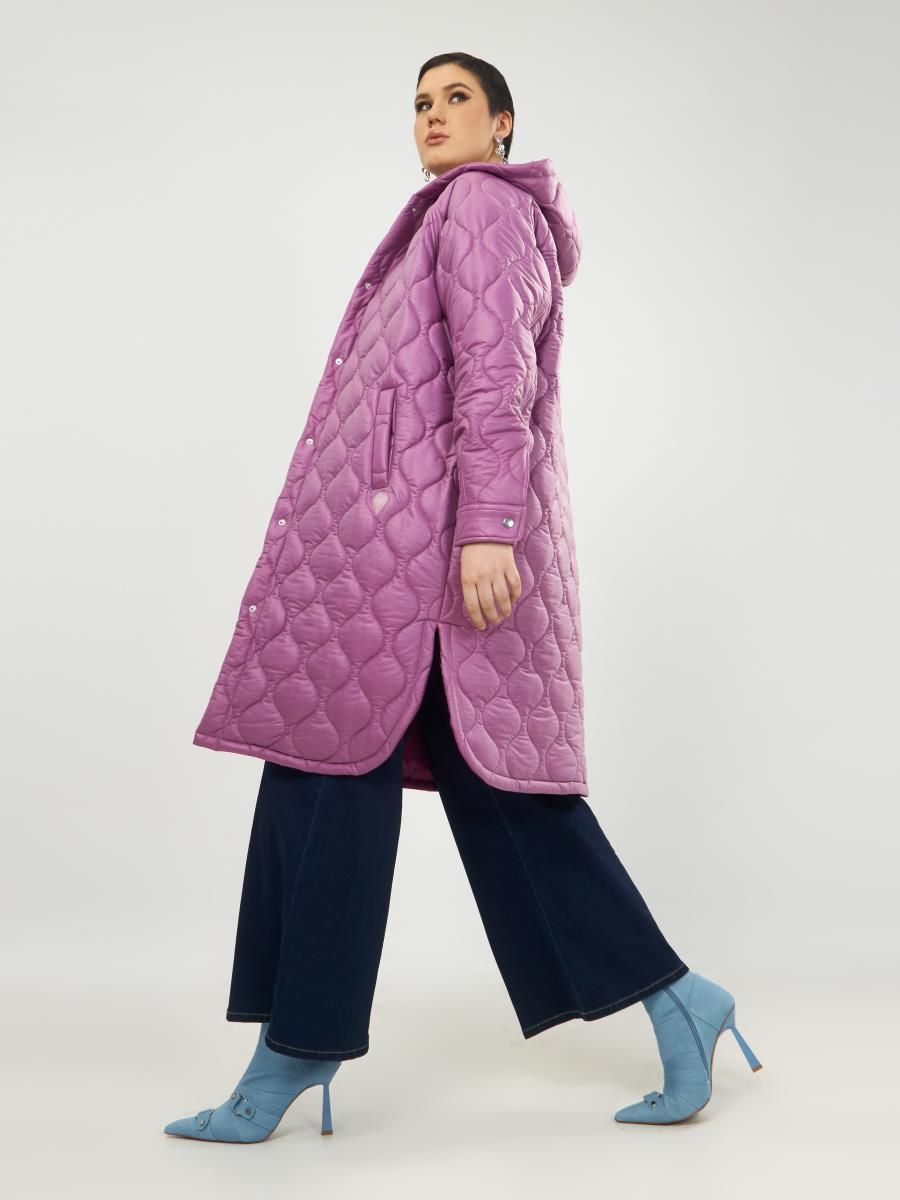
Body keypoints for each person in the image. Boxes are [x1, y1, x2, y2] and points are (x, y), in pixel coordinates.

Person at [164, 52, 762, 1143]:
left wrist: (490, 528)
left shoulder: (482, 205)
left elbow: (498, 379)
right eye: (420, 103)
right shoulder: (445, 215)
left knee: (332, 770)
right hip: (381, 559)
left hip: (425, 561)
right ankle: (678, 1000)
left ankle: (295, 1048)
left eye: (456, 101)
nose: (433, 117)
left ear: (502, 126)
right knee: (486, 794)